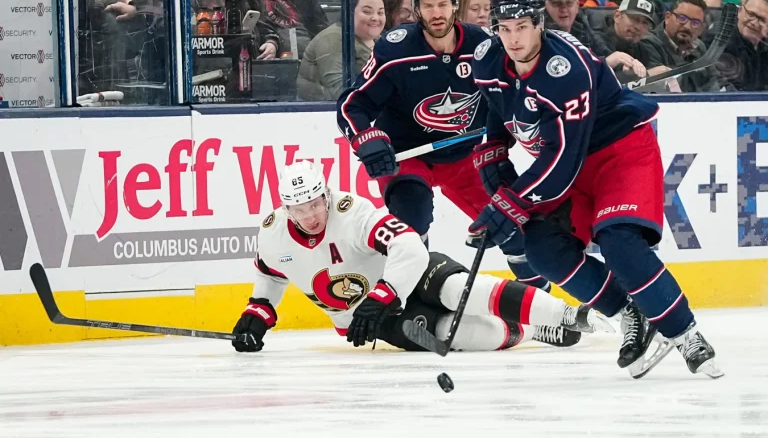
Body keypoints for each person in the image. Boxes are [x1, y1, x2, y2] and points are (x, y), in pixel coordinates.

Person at [468, 0, 722, 379]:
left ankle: (685, 332)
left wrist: (509, 201)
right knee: (540, 246)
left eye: (521, 26)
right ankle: (629, 313)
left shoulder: (565, 67)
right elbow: (497, 103)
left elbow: (562, 159)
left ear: (539, 23)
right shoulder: (488, 57)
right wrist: (491, 151)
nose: (512, 38)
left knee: (619, 241)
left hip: (619, 149)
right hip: (568, 163)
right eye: (504, 27)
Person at [230, 161, 610, 353]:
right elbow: (271, 275)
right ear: (285, 209)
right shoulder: (272, 233)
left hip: (405, 276)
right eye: (300, 209)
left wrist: (383, 293)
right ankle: (529, 329)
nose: (311, 216)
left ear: (326, 197)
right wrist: (258, 313)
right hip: (371, 321)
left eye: (315, 204)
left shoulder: (351, 212)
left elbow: (409, 245)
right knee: (450, 332)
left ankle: (568, 315)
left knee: (458, 289)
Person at [336, 0, 551, 294]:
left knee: (512, 226)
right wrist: (365, 137)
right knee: (412, 217)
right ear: (416, 9)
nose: (436, 13)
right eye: (427, 5)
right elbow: (351, 104)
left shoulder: (483, 46)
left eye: (442, 4)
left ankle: (542, 305)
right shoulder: (395, 50)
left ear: (454, 5)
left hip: (464, 157)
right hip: (407, 157)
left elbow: (514, 91)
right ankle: (414, 298)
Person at [298, 0, 385, 101]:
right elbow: (340, 92)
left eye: (380, 12)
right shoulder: (332, 39)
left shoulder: (382, 41)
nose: (375, 18)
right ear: (350, 12)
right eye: (367, 12)